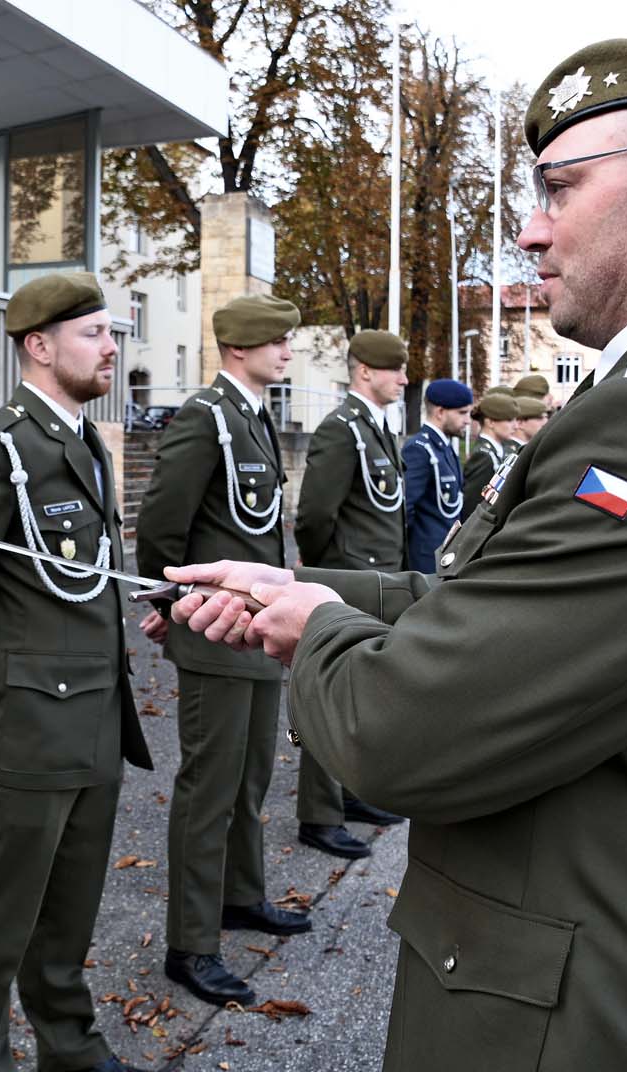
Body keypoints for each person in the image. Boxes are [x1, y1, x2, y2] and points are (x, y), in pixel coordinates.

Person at [163, 28, 627, 1072]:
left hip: (582, 1021)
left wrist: (313, 626)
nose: (532, 234)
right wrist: (300, 581)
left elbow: (401, 732)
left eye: (559, 189)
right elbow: (521, 606)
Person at [0, 271, 152, 1072]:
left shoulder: (83, 441)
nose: (111, 347)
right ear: (39, 347)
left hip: (93, 724)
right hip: (26, 730)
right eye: (94, 334)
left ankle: (69, 1046)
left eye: (113, 333)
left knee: (67, 916)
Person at [134, 293, 310, 1009]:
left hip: (254, 627)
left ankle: (242, 896)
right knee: (208, 791)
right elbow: (162, 523)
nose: (289, 352)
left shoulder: (252, 416)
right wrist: (169, 607)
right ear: (240, 348)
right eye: (278, 341)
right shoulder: (206, 418)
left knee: (251, 779)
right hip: (213, 631)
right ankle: (192, 943)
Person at [290, 329, 410, 859]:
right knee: (331, 690)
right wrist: (321, 571)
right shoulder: (342, 429)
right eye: (396, 369)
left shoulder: (377, 428)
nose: (405, 379)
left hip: (376, 576)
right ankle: (319, 813)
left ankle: (349, 794)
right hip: (346, 574)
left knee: (363, 693)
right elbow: (316, 513)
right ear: (365, 371)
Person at [399, 379, 471, 573]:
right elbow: (406, 508)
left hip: (445, 555)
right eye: (462, 413)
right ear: (440, 412)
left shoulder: (444, 448)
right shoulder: (419, 448)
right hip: (426, 559)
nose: (468, 420)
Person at [461, 391, 518, 518]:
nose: (515, 426)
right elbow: (473, 506)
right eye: (509, 420)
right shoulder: (484, 456)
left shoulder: (495, 451)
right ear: (491, 422)